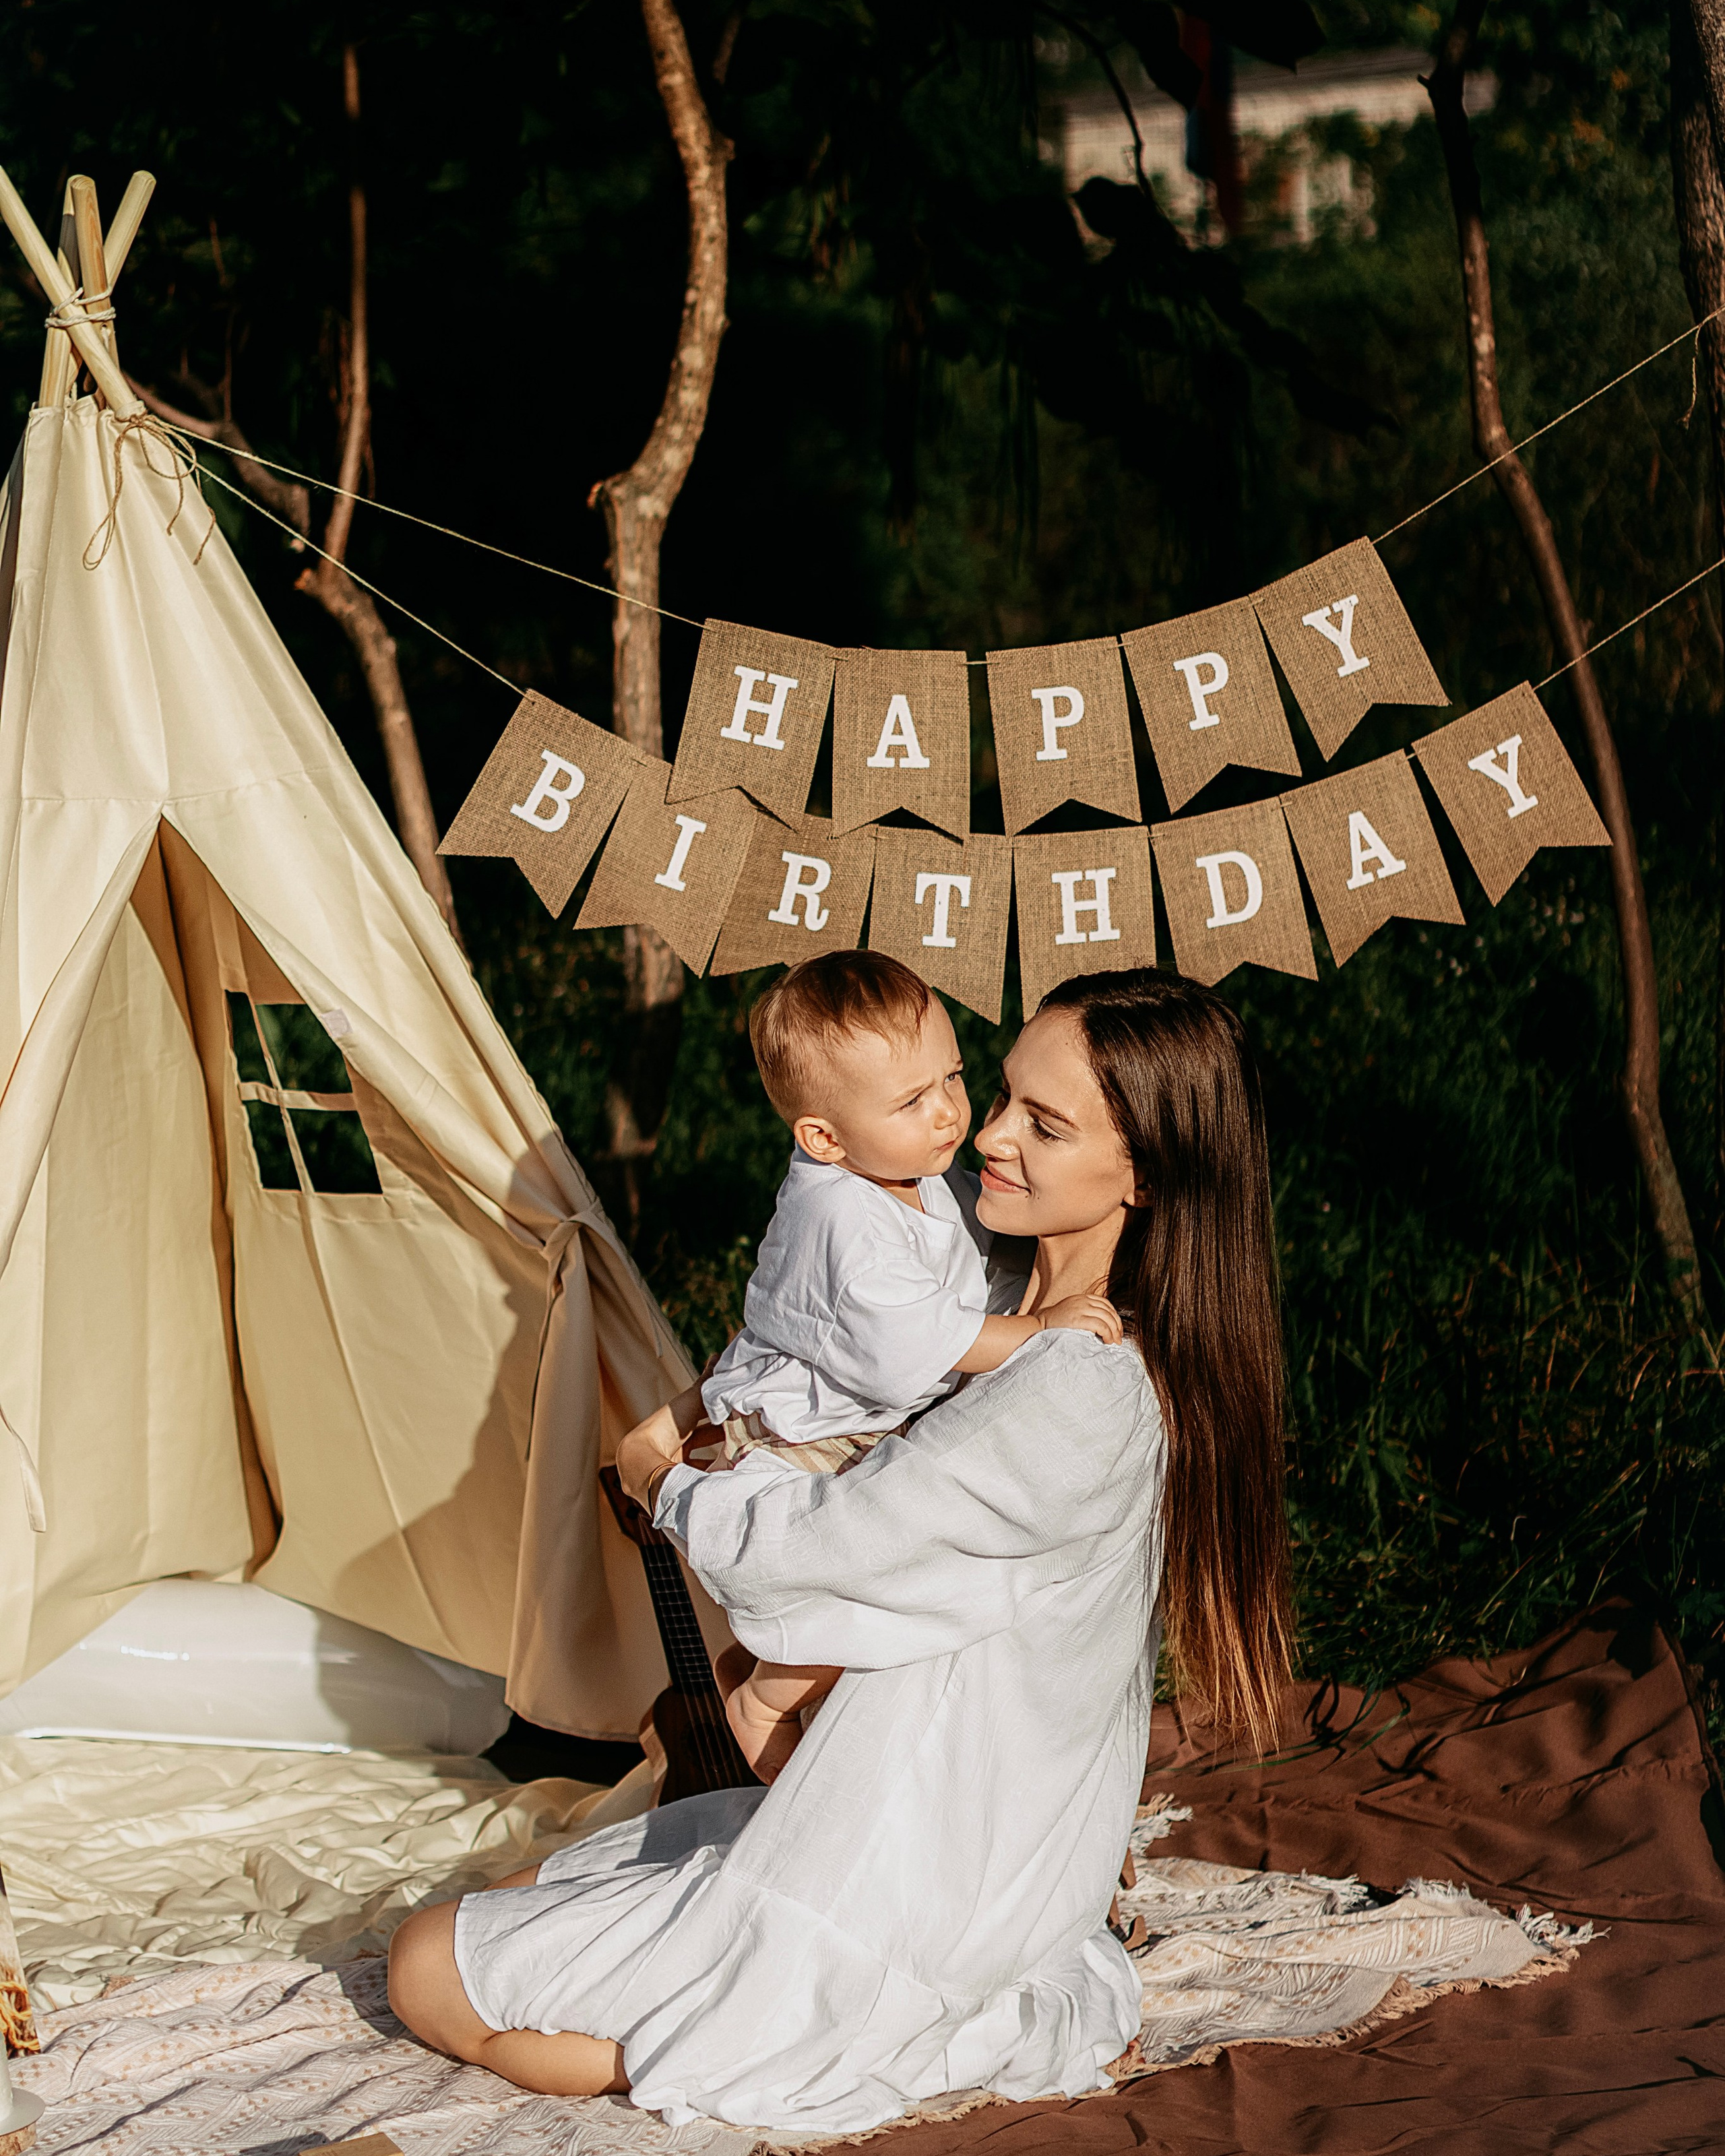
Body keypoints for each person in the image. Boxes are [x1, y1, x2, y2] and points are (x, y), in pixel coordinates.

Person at [389, 967, 1296, 2139]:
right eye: (1003, 1092)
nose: (991, 1137)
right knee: (525, 1892)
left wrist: (664, 1481)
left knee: (426, 1965)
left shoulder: (1081, 1386)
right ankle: (735, 2000)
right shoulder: (990, 1271)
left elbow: (805, 1554)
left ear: (1151, 1175)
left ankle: (782, 2035)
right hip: (896, 1800)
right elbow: (811, 1341)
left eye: (1044, 1123)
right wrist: (712, 1408)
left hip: (917, 1875)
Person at [648, 947, 1120, 1778]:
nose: (950, 1116)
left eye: (952, 1077)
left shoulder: (905, 1166)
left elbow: (971, 1250)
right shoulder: (844, 1222)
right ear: (823, 1138)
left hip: (831, 1424)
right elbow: (926, 1343)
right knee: (850, 1591)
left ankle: (765, 1681)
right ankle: (763, 1707)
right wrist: (1043, 1324)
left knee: (869, 1596)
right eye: (912, 1100)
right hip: (789, 1444)